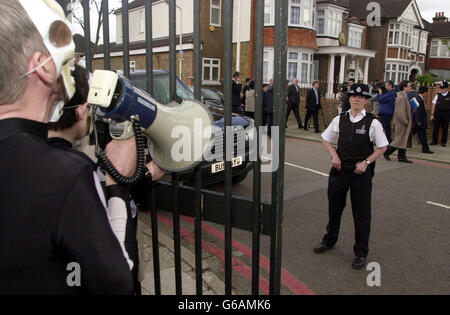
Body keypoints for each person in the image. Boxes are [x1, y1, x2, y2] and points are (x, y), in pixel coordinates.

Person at [0, 0, 133, 294]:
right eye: (66, 62)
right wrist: (116, 186)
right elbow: (117, 285)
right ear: (44, 68)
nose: (71, 72)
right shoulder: (62, 174)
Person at [47, 65, 165, 295]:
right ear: (82, 111)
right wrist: (116, 184)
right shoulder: (77, 173)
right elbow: (119, 273)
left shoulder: (31, 154)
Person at [314, 84, 389, 270]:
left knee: (361, 214)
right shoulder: (340, 119)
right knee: (335, 208)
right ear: (349, 98)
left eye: (361, 97)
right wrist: (334, 155)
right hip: (340, 171)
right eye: (353, 96)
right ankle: (329, 240)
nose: (356, 99)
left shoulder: (373, 123)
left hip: (360, 173)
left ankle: (361, 252)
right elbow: (326, 138)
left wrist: (367, 162)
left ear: (366, 100)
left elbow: (382, 147)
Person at [384, 81, 414, 163]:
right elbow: (400, 112)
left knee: (402, 140)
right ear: (404, 87)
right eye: (409, 86)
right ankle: (387, 152)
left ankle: (402, 156)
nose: (410, 87)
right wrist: (405, 121)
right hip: (401, 123)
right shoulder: (401, 97)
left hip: (403, 123)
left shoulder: (404, 96)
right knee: (399, 140)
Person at [412, 86, 433, 154]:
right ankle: (425, 149)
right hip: (419, 122)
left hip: (416, 121)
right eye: (426, 92)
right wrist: (418, 121)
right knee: (423, 136)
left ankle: (425, 149)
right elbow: (417, 111)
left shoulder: (416, 98)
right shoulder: (419, 99)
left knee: (421, 136)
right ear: (424, 93)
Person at [431, 81, 450, 147]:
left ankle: (443, 142)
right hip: (438, 113)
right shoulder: (437, 95)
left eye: (443, 88)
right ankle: (434, 141)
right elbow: (434, 105)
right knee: (435, 127)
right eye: (441, 88)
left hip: (446, 114)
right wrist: (432, 114)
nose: (441, 90)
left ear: (446, 88)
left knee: (445, 128)